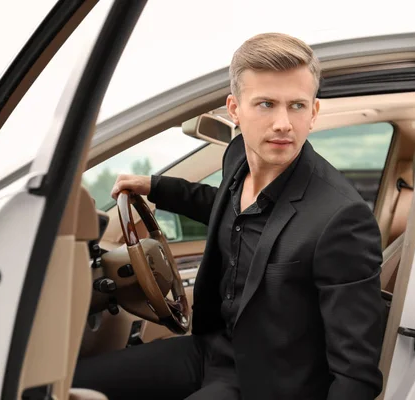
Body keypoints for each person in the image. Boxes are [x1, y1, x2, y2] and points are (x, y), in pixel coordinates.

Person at [73, 32, 388, 400]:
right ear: (235, 109)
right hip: (209, 350)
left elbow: (357, 374)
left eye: (297, 106)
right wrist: (154, 185)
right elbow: (224, 204)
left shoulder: (341, 218)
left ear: (314, 112)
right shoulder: (238, 156)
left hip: (267, 381)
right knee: (66, 384)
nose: (283, 123)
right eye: (266, 104)